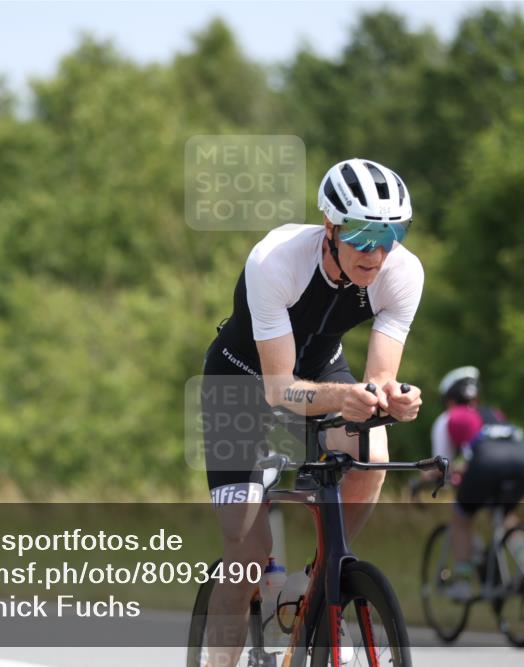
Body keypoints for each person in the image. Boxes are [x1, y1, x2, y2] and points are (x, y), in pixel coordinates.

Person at [201, 158, 424, 666]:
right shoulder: (275, 260)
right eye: (365, 235)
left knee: (373, 440)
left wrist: (394, 399)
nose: (379, 251)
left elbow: (381, 377)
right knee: (246, 559)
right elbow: (279, 388)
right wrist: (344, 398)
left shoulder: (403, 272)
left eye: (394, 233)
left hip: (324, 370)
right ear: (332, 228)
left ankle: (321, 579)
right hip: (242, 383)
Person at [425, 366, 524, 601]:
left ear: (449, 398)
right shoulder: (494, 413)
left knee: (461, 517)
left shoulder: (448, 418)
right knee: (506, 516)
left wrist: (420, 483)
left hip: (487, 465)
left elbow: (440, 466)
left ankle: (463, 584)